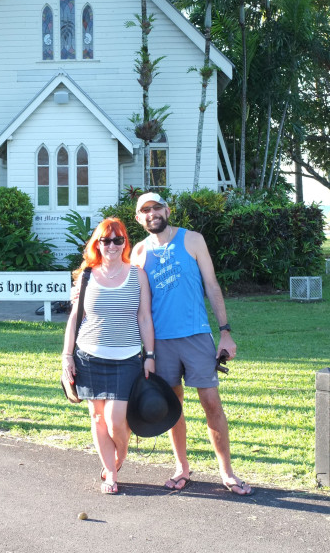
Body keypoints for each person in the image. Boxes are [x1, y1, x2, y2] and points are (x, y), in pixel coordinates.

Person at [131, 192, 252, 496]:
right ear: (138, 218)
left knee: (211, 402)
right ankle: (181, 467)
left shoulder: (192, 240)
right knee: (172, 406)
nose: (152, 213)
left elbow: (212, 286)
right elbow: (138, 305)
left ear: (167, 210)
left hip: (196, 336)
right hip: (161, 343)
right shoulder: (139, 252)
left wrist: (225, 332)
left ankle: (227, 472)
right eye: (145, 210)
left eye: (156, 207)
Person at [60, 217, 156, 495]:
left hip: (127, 358)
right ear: (97, 244)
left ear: (125, 243)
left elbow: (145, 317)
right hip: (89, 356)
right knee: (97, 418)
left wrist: (149, 355)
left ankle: (119, 457)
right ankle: (110, 475)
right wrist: (67, 356)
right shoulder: (87, 276)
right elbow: (75, 319)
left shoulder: (138, 275)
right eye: (106, 240)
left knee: (116, 420)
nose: (112, 245)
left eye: (118, 240)